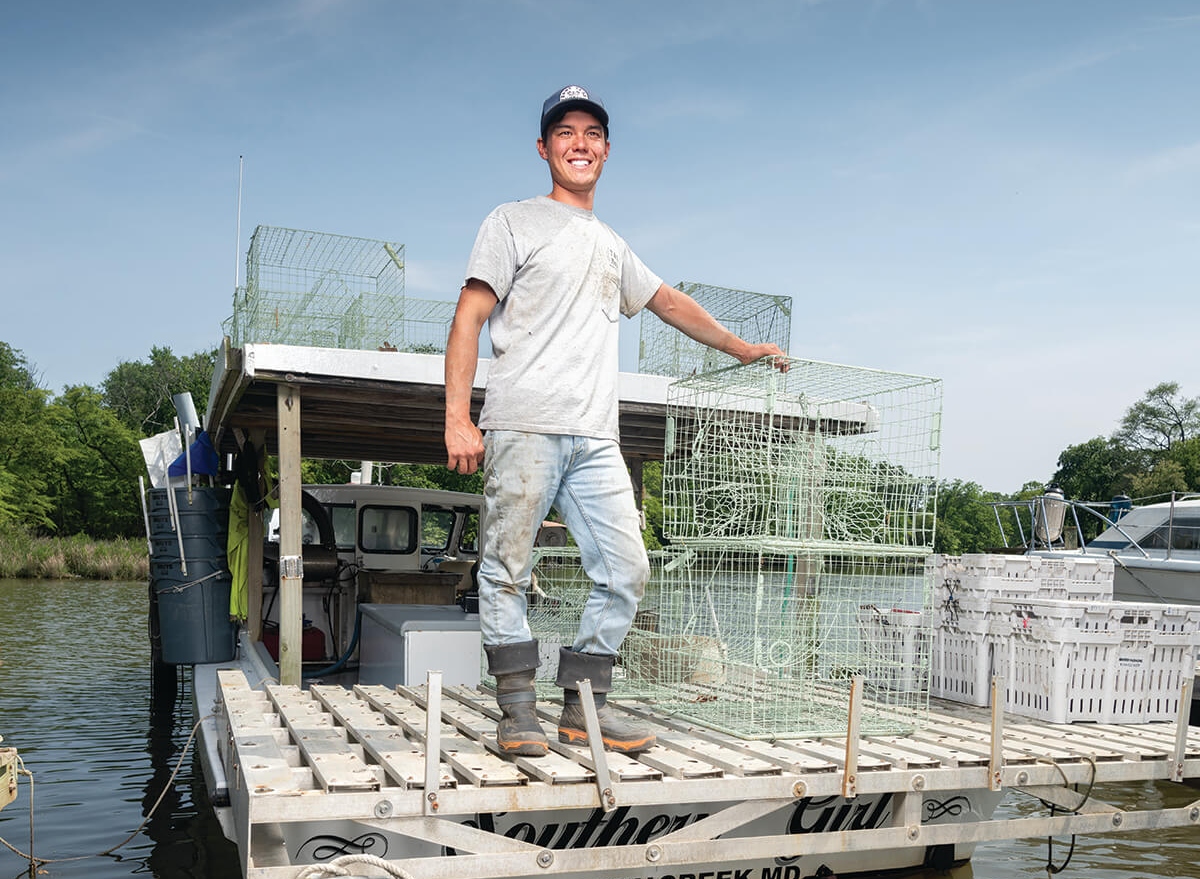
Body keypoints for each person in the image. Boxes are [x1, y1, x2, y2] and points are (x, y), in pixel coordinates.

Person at [444, 84, 786, 757]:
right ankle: (516, 710)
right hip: (525, 424)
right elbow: (468, 318)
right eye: (566, 132)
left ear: (606, 150)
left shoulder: (612, 245)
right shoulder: (511, 222)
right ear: (544, 148)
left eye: (592, 133)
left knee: (627, 567)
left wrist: (743, 347)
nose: (580, 143)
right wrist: (458, 415)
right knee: (506, 568)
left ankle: (582, 705)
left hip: (596, 438)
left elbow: (670, 303)